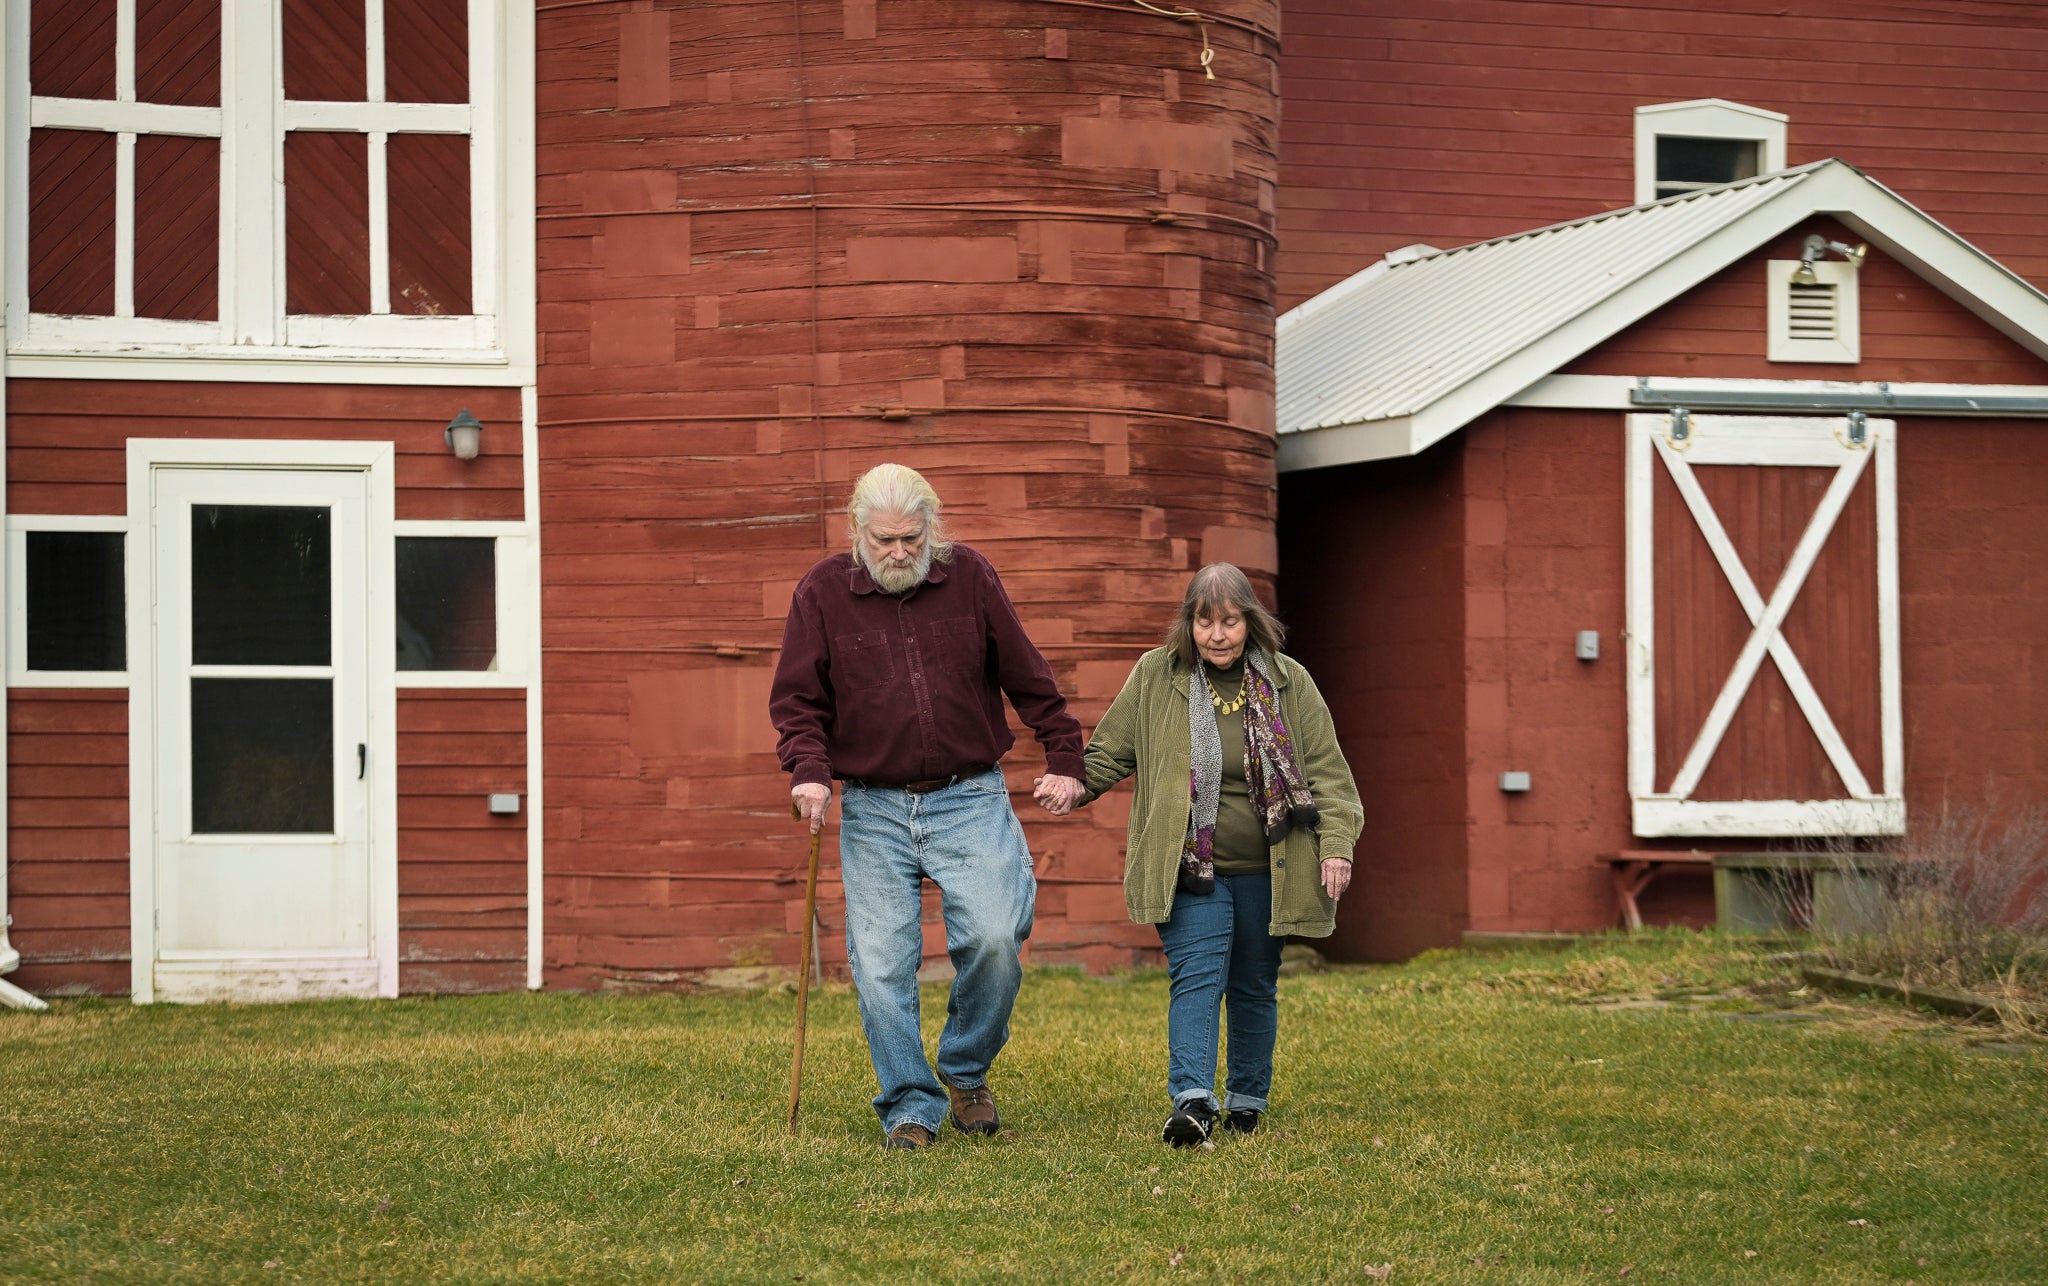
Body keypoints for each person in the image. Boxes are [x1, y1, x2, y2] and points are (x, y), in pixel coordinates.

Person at [769, 463, 1086, 1150]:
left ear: (931, 529)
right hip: (874, 807)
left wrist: (1065, 755)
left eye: (911, 538)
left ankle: (965, 1069)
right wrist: (810, 773)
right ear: (857, 533)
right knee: (881, 963)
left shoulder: (969, 576)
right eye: (883, 540)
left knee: (997, 937)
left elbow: (1026, 673)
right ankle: (910, 1104)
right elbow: (797, 701)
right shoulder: (822, 592)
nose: (898, 552)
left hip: (970, 795)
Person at [1050, 562, 1362, 1146]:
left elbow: (1329, 777)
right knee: (1197, 976)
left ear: (1251, 623)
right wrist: (1073, 784)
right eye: (1204, 622)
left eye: (1229, 622)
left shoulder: (1290, 683)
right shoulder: (1156, 674)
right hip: (1190, 867)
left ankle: (1247, 1101)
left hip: (1271, 869)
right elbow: (1110, 752)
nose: (1217, 635)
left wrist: (1336, 847)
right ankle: (1193, 1101)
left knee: (1254, 984)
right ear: (1188, 624)